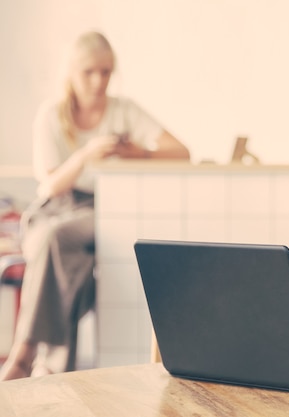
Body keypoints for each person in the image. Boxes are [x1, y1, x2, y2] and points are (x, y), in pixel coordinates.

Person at [0, 31, 190, 380]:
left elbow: (182, 152)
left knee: (55, 241)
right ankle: (51, 367)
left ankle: (24, 355)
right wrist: (86, 155)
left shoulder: (124, 110)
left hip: (100, 210)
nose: (99, 81)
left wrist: (135, 153)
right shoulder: (50, 116)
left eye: (106, 72)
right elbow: (50, 185)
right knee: (67, 259)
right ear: (71, 72)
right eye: (89, 72)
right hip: (55, 207)